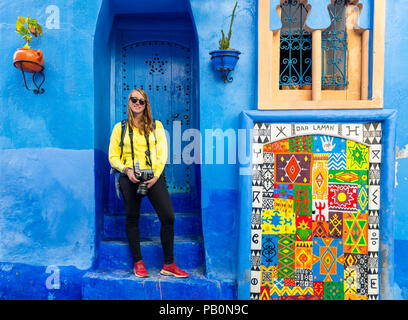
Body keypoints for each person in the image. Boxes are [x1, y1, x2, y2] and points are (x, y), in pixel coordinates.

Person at [108, 88, 188, 278]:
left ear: (146, 105)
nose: (137, 103)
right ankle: (138, 262)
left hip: (153, 175)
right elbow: (113, 156)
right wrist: (126, 170)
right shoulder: (119, 128)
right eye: (133, 99)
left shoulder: (156, 126)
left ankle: (169, 264)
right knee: (132, 216)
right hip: (129, 177)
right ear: (128, 102)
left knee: (168, 217)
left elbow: (162, 153)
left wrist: (156, 176)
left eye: (141, 101)